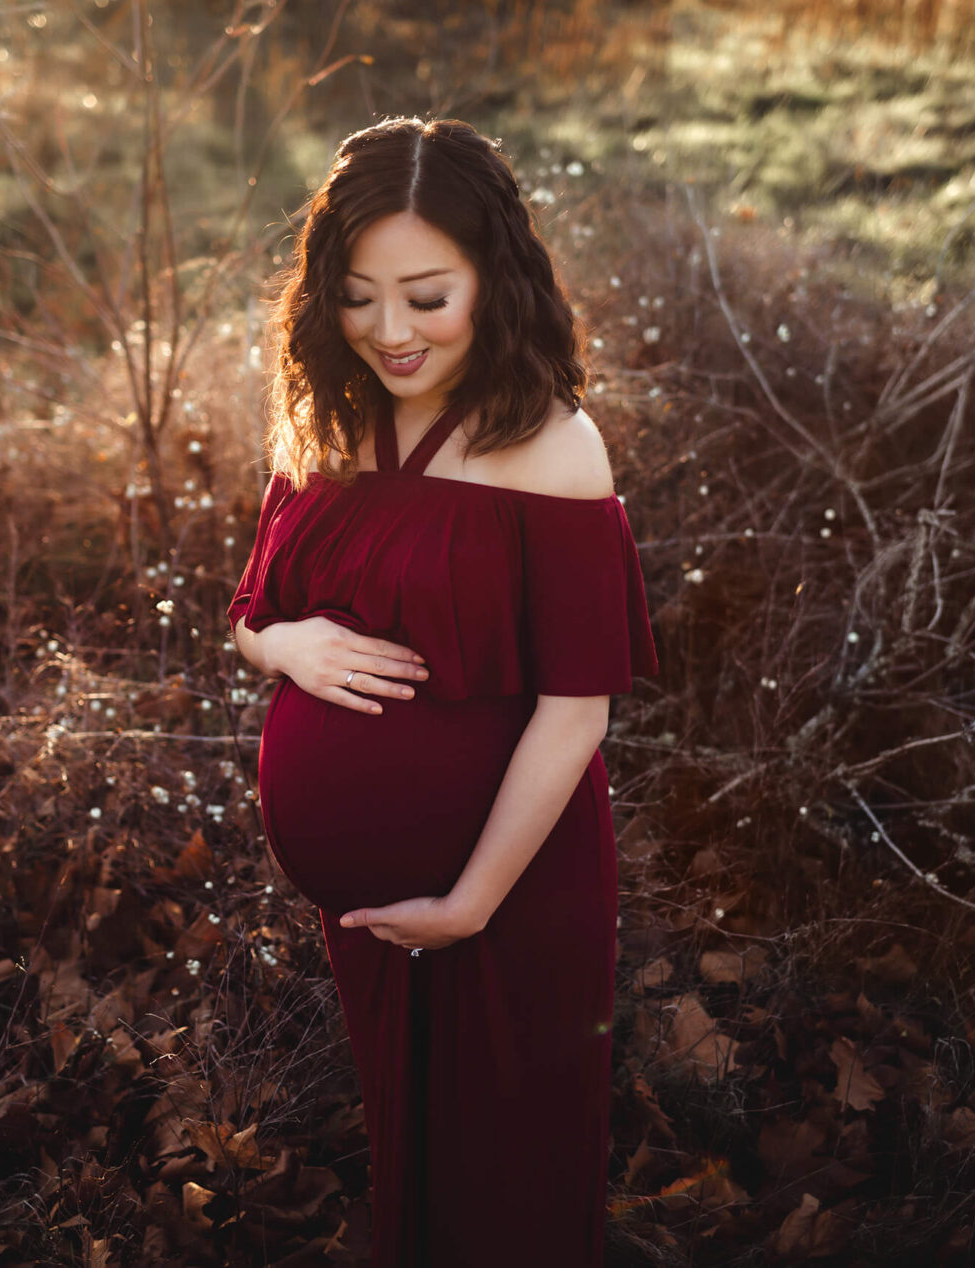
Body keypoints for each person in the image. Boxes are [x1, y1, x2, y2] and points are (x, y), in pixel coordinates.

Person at [226, 116, 659, 1267]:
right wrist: (290, 648)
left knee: (507, 1179)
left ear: (492, 280)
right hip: (366, 912)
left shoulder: (553, 449)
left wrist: (468, 900)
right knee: (410, 1160)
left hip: (508, 886)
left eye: (426, 296)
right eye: (359, 297)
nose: (389, 331)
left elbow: (578, 707)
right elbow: (248, 617)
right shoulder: (325, 421)